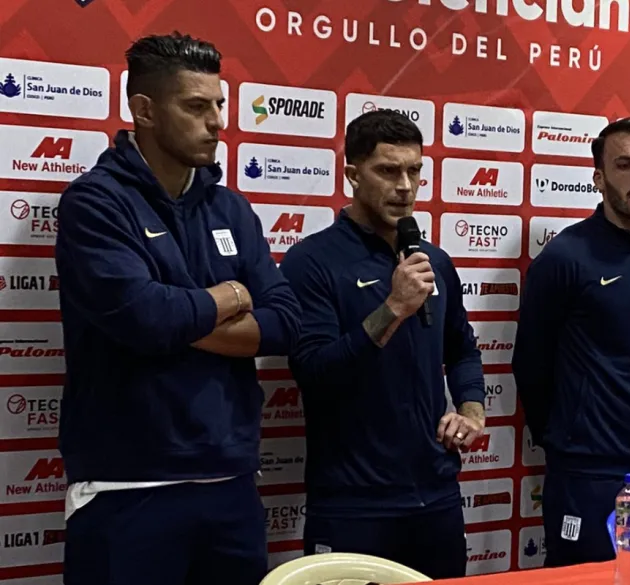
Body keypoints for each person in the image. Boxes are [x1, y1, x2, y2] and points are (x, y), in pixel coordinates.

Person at [55, 32, 301, 585]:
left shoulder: (231, 207)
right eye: (195, 106)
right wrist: (233, 297)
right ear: (143, 110)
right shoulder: (95, 202)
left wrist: (180, 315)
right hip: (128, 490)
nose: (216, 121)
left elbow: (286, 320)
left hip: (231, 486)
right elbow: (145, 318)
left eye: (218, 104)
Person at [279, 109, 485, 579]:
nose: (405, 186)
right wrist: (392, 308)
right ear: (352, 174)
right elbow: (313, 372)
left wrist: (471, 409)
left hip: (436, 497)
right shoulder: (310, 262)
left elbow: (462, 349)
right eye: (388, 171)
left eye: (414, 171)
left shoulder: (432, 260)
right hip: (353, 504)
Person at [512, 117, 630, 567]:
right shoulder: (565, 258)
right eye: (625, 165)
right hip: (587, 470)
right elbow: (531, 363)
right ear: (599, 178)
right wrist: (567, 436)